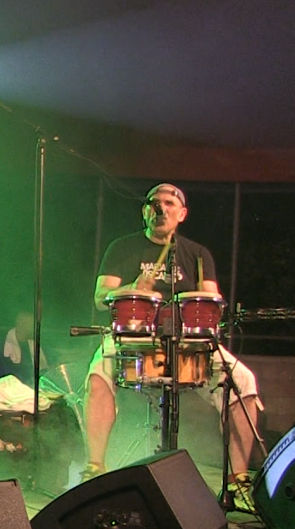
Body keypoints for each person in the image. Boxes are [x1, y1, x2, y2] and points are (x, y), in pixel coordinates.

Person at [82, 183, 261, 496]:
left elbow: (211, 300)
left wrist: (201, 299)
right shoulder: (122, 248)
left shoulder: (197, 253)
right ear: (145, 212)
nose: (160, 208)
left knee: (244, 381)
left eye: (168, 203)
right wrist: (133, 287)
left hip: (188, 343)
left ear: (182, 214)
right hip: (134, 336)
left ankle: (239, 480)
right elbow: (100, 298)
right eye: (154, 203)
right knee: (98, 375)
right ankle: (94, 466)